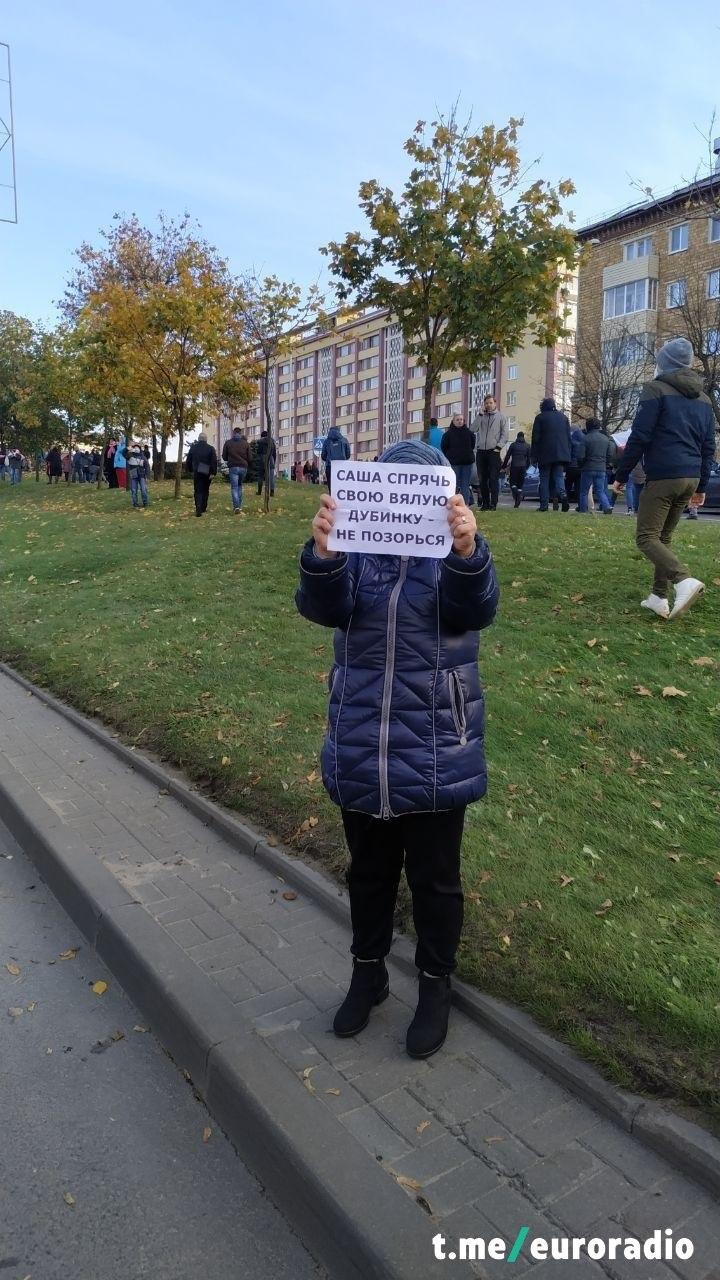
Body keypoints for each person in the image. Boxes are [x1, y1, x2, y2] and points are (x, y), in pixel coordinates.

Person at [296, 440, 499, 1059]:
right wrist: (323, 554)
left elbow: (477, 609)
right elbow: (322, 607)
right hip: (362, 737)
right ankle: (369, 973)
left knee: (436, 880)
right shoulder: (357, 552)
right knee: (369, 872)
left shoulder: (451, 555)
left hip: (438, 740)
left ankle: (435, 987)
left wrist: (468, 552)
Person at [612, 337, 715, 620]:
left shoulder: (654, 389)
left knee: (646, 538)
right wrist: (702, 484)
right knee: (663, 537)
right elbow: (709, 446)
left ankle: (683, 580)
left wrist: (620, 475)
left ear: (664, 363)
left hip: (664, 476)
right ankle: (659, 596)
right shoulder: (705, 400)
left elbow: (640, 437)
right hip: (690, 477)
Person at [531, 398, 572, 512]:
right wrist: (568, 454)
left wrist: (534, 456)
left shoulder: (540, 418)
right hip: (561, 454)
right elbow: (568, 438)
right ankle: (563, 495)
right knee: (559, 477)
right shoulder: (564, 417)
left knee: (544, 478)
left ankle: (544, 505)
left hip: (545, 454)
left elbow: (536, 438)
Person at [472, 395, 509, 511]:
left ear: (495, 403)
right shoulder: (481, 416)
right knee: (482, 479)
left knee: (493, 478)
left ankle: (493, 503)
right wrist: (480, 415)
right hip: (481, 451)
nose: (488, 405)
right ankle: (485, 503)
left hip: (494, 451)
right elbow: (473, 429)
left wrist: (499, 447)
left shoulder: (501, 417)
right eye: (486, 403)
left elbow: (505, 434)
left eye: (490, 403)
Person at [576, 419, 616, 515]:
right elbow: (610, 454)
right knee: (600, 490)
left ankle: (582, 509)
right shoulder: (605, 439)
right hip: (601, 468)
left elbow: (581, 456)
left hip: (588, 468)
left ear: (588, 426)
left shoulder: (585, 438)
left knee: (584, 491)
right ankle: (606, 507)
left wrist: (581, 465)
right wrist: (606, 463)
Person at [440, 413, 475, 504]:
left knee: (465, 485)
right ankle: (453, 504)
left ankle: (465, 505)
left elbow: (472, 445)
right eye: (457, 420)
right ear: (453, 421)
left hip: (467, 463)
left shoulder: (469, 433)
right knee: (453, 485)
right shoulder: (448, 434)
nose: (460, 421)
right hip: (454, 463)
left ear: (464, 421)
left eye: (461, 419)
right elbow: (444, 447)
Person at [186, 431, 217, 517]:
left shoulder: (193, 448)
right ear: (206, 439)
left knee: (198, 490)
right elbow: (214, 461)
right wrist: (213, 472)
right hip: (207, 472)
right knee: (205, 490)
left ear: (199, 439)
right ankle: (203, 507)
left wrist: (190, 469)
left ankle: (198, 508)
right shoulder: (210, 448)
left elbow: (188, 460)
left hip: (197, 471)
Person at [222, 426, 252, 514]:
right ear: (240, 433)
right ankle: (239, 506)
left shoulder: (228, 443)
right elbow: (250, 457)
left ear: (233, 433)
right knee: (239, 485)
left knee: (234, 487)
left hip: (233, 467)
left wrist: (230, 458)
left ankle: (236, 507)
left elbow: (224, 456)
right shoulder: (246, 443)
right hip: (243, 467)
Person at [501, 431, 532, 507]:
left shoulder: (513, 445)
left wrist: (504, 466)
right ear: (523, 437)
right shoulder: (527, 446)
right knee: (520, 485)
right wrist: (527, 467)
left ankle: (517, 495)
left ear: (517, 437)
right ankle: (517, 500)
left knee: (512, 483)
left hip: (514, 466)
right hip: (523, 467)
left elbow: (508, 456)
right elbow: (529, 459)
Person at [321, 425, 351, 493]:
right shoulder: (344, 440)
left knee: (331, 486)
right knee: (341, 485)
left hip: (330, 466)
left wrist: (329, 459)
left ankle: (332, 501)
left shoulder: (326, 441)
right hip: (342, 467)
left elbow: (323, 456)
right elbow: (348, 455)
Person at [565, 424, 585, 507]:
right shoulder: (584, 439)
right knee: (579, 488)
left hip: (570, 466)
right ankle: (581, 506)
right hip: (580, 467)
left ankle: (565, 503)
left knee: (567, 486)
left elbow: (567, 453)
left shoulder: (570, 441)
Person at [126, 441, 150, 509]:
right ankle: (135, 504)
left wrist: (147, 476)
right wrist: (129, 447)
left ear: (139, 449)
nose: (136, 448)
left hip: (142, 475)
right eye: (135, 447)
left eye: (137, 447)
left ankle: (145, 503)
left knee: (143, 490)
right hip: (133, 476)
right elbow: (122, 453)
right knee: (134, 491)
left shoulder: (143, 457)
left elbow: (147, 466)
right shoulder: (130, 456)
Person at [256, 430, 277, 497]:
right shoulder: (272, 442)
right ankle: (272, 491)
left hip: (262, 460)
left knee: (260, 476)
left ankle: (259, 491)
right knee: (271, 477)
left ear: (262, 436)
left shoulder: (260, 442)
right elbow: (274, 453)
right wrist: (274, 462)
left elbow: (258, 452)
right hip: (271, 460)